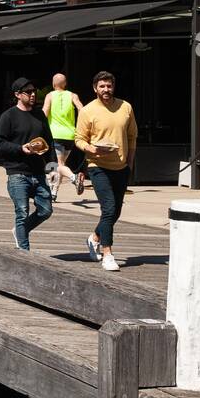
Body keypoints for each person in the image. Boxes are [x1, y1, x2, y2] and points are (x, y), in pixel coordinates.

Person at [75, 71, 137, 273]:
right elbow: (79, 139)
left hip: (121, 167)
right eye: (102, 86)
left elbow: (132, 137)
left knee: (116, 211)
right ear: (95, 88)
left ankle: (94, 238)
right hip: (97, 165)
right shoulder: (87, 111)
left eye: (109, 86)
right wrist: (91, 149)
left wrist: (130, 163)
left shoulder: (125, 107)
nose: (106, 90)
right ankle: (108, 254)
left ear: (113, 87)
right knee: (108, 209)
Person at [0, 77, 55, 252]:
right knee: (22, 212)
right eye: (28, 92)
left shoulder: (39, 115)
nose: (33, 94)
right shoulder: (8, 116)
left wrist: (52, 168)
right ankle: (24, 253)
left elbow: (48, 142)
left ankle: (20, 231)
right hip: (17, 172)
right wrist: (21, 148)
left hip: (38, 172)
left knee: (46, 210)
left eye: (34, 91)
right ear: (18, 95)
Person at [42, 73, 86, 200]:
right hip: (70, 135)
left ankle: (74, 177)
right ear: (65, 84)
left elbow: (45, 112)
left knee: (59, 165)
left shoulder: (50, 95)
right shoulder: (73, 95)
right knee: (60, 165)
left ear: (53, 83)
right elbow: (81, 109)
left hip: (55, 134)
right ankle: (54, 192)